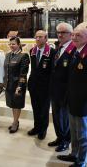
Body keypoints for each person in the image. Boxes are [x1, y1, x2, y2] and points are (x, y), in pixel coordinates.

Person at [57, 22, 87, 167]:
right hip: (72, 99)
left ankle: (81, 162)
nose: (74, 37)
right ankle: (74, 154)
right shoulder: (76, 51)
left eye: (78, 35)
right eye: (73, 34)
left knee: (82, 135)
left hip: (83, 104)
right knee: (74, 133)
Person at [48, 22, 75, 152]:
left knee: (64, 118)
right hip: (55, 90)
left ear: (71, 34)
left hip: (65, 91)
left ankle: (65, 140)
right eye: (58, 32)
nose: (60, 35)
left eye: (63, 32)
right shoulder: (59, 47)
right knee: (56, 116)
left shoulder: (74, 48)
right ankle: (59, 137)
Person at [27, 30, 55, 140]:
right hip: (33, 85)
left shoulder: (52, 52)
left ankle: (43, 130)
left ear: (46, 38)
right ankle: (36, 127)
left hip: (45, 86)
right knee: (36, 108)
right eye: (36, 37)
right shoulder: (32, 51)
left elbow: (52, 71)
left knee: (44, 110)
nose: (38, 39)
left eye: (40, 37)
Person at [3, 37, 30, 133]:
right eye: (10, 44)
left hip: (17, 85)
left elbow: (23, 73)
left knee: (17, 105)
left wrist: (20, 86)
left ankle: (15, 123)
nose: (11, 46)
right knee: (12, 104)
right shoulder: (7, 55)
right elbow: (6, 71)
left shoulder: (23, 56)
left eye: (13, 44)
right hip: (9, 84)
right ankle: (15, 120)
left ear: (19, 45)